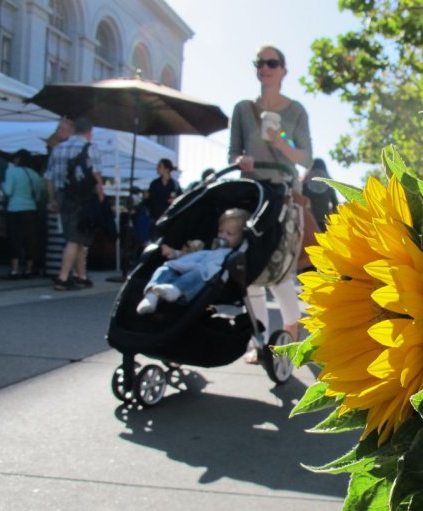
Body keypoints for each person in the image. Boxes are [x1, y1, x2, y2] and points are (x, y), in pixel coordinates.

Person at [229, 44, 313, 356]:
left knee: (279, 271)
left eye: (272, 62)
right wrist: (242, 161)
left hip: (285, 196)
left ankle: (291, 329)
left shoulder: (296, 111)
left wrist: (282, 141)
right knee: (249, 272)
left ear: (283, 71)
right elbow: (232, 153)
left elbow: (306, 158)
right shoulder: (242, 109)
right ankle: (260, 343)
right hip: (251, 195)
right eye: (260, 62)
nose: (265, 67)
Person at [136, 208, 249, 315]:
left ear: (242, 237)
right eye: (220, 231)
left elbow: (211, 270)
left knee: (198, 274)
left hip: (199, 275)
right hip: (185, 269)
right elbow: (194, 255)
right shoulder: (211, 249)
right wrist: (175, 254)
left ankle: (175, 290)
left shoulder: (231, 255)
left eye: (229, 234)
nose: (223, 236)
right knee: (164, 269)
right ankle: (151, 296)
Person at [44, 117, 105, 291]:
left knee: (77, 238)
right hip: (83, 198)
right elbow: (96, 177)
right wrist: (101, 197)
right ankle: (62, 278)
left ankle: (81, 276)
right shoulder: (90, 148)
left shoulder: (58, 149)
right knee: (74, 239)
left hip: (63, 196)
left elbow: (49, 178)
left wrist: (52, 199)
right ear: (89, 132)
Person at [2, 149, 44, 278]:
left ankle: (14, 270)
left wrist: (2, 185)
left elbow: (8, 191)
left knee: (15, 239)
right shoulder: (35, 175)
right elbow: (38, 196)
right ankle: (28, 269)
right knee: (30, 240)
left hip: (14, 209)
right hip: (30, 210)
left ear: (18, 159)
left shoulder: (11, 172)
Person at [143, 158, 182, 234]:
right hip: (157, 219)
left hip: (170, 219)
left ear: (166, 169)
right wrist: (146, 198)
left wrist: (175, 200)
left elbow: (181, 200)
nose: (157, 168)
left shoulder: (175, 185)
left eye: (159, 166)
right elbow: (149, 202)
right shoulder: (154, 184)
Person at [302, 158, 338, 231]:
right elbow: (336, 205)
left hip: (306, 221)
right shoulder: (330, 184)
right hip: (323, 222)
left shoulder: (304, 183)